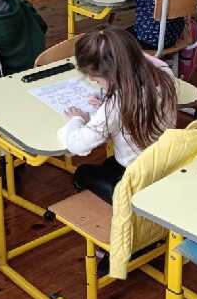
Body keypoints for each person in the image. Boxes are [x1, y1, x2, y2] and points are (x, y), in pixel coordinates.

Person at [58, 27, 177, 204]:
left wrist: (77, 119)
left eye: (97, 80)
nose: (94, 82)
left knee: (82, 173)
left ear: (112, 75)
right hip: (165, 162)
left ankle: (125, 199)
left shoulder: (115, 105)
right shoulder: (164, 72)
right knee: (109, 164)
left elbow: (78, 145)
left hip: (135, 178)